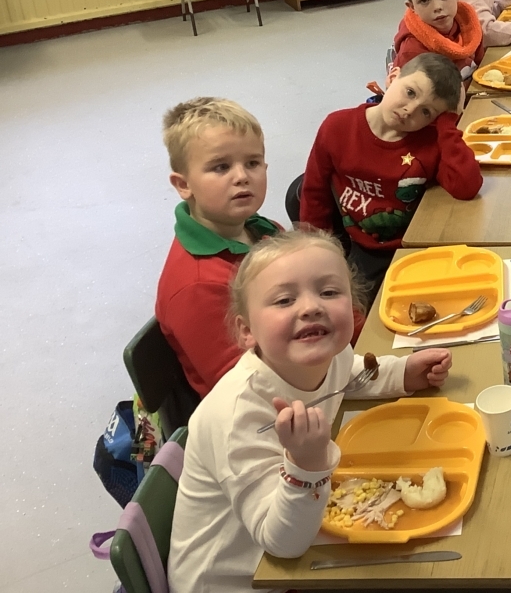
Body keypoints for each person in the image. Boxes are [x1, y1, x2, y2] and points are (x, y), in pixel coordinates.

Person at [168, 229, 455, 592]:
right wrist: (307, 465)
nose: (311, 307)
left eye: (329, 292)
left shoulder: (329, 354)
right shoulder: (239, 416)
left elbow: (348, 377)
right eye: (284, 300)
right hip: (240, 579)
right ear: (246, 332)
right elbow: (282, 543)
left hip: (301, 548)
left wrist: (402, 374)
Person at [298, 53, 483, 296]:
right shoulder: (337, 127)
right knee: (358, 314)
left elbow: (466, 186)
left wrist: (448, 125)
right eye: (410, 92)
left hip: (415, 247)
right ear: (393, 76)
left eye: (426, 112)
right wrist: (315, 254)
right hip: (366, 249)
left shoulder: (430, 143)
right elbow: (314, 195)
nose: (410, 110)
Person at [156, 97, 282, 398]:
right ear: (183, 185)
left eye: (252, 163)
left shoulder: (264, 230)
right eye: (220, 167)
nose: (242, 177)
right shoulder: (196, 285)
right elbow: (246, 388)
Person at [391, 0, 484, 84]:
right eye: (424, 0)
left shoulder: (471, 26)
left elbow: (482, 66)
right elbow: (407, 99)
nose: (437, 7)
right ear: (412, 7)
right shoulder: (411, 52)